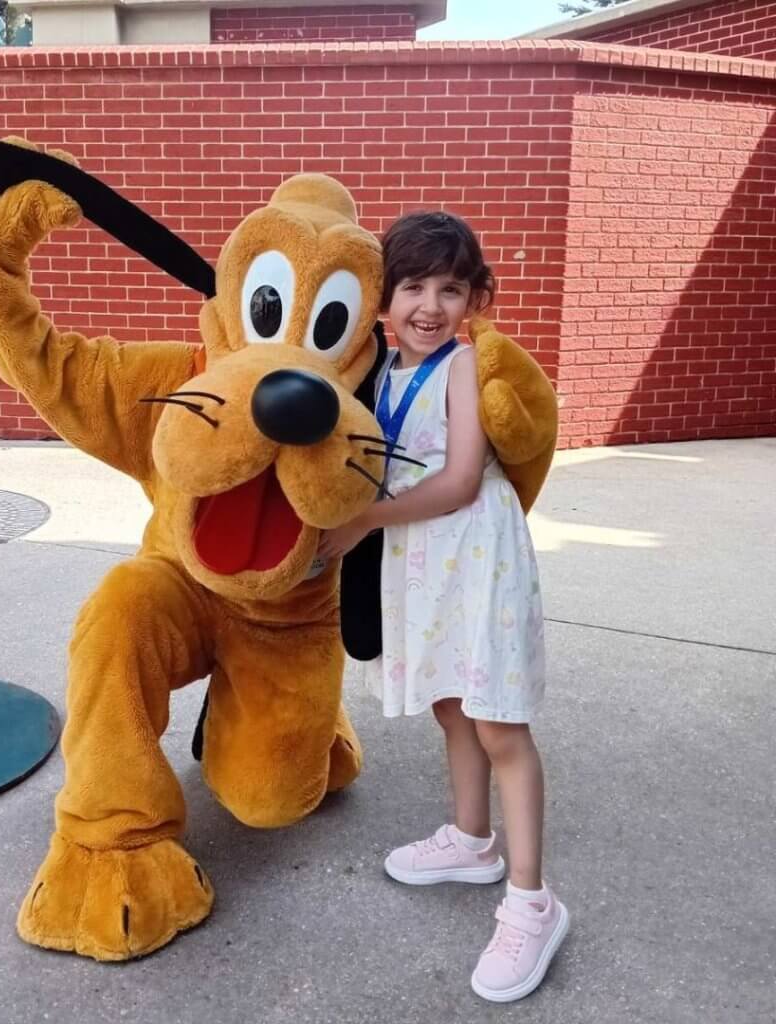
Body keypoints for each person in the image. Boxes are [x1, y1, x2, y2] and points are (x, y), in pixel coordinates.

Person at [319, 211, 568, 1003]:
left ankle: (532, 905)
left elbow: (460, 481)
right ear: (382, 298)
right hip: (424, 559)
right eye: (414, 287)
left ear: (475, 300)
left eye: (451, 289)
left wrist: (363, 521)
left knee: (498, 723)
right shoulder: (381, 371)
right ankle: (471, 839)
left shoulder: (461, 365)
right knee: (453, 704)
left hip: (476, 555)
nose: (431, 305)